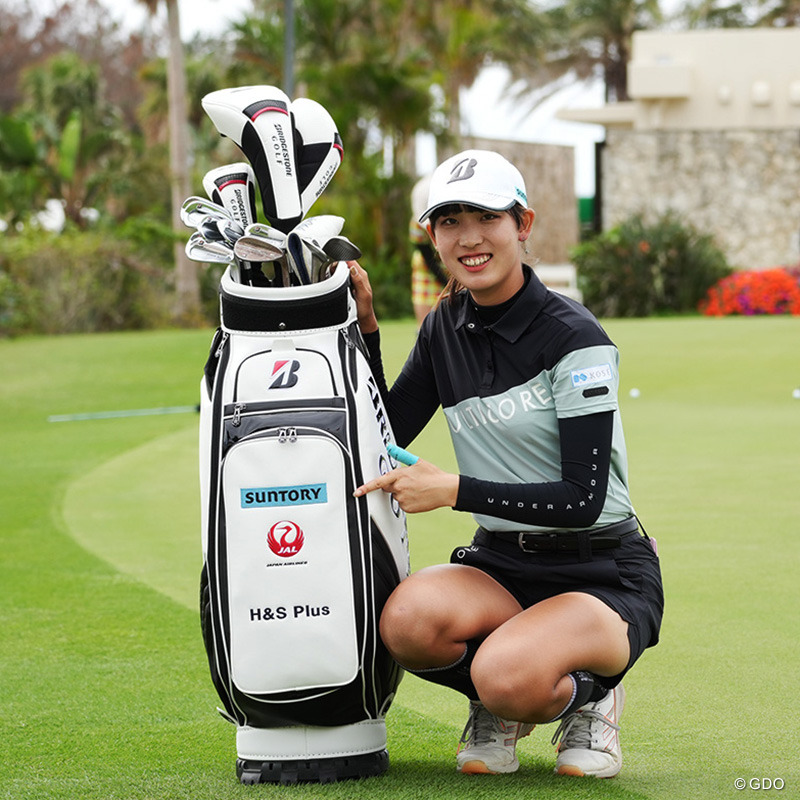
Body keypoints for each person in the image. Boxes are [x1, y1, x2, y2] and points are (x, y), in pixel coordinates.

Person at [348, 148, 664, 778]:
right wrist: (367, 329)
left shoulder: (576, 338)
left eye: (486, 217)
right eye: (449, 221)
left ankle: (590, 696)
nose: (468, 237)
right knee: (406, 623)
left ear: (522, 224)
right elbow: (384, 430)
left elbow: (583, 498)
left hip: (600, 568)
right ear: (432, 236)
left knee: (503, 674)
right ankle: (504, 693)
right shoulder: (444, 326)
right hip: (503, 561)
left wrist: (454, 489)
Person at [409, 174, 447, 326]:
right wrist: (446, 283)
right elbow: (427, 255)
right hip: (427, 268)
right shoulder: (416, 224)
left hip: (453, 265)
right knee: (427, 323)